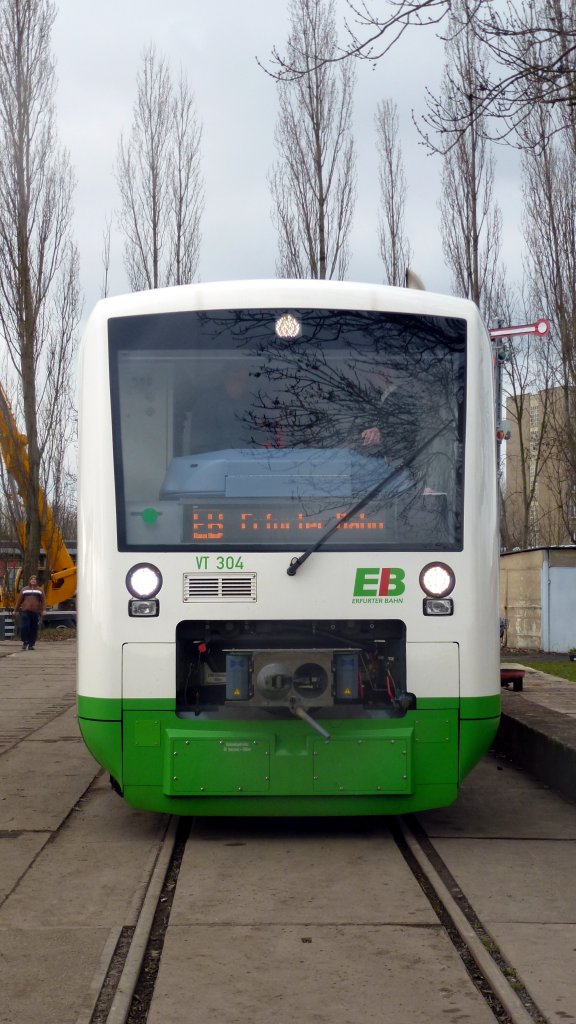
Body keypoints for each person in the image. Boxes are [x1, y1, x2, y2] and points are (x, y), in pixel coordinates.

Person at [14, 574, 46, 651]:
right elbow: (19, 601)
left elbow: (44, 601)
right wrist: (15, 610)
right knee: (25, 627)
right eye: (32, 579)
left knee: (33, 628)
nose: (33, 580)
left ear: (36, 581)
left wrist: (44, 610)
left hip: (35, 612)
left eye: (34, 579)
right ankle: (25, 641)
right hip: (25, 611)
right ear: (29, 581)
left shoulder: (40, 590)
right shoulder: (24, 589)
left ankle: (31, 644)